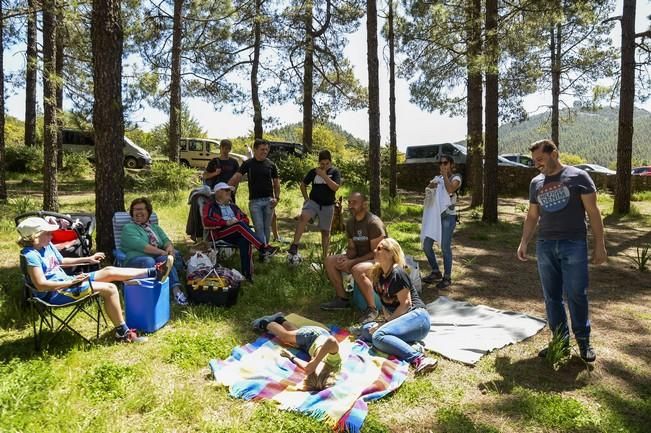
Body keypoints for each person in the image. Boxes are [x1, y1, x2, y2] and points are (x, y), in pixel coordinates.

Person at [517, 139, 606, 363]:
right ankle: (560, 342)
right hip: (545, 245)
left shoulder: (579, 177)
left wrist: (600, 245)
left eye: (540, 159)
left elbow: (593, 213)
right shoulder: (536, 182)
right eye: (534, 161)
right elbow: (532, 216)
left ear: (554, 153)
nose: (537, 164)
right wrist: (524, 241)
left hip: (573, 243)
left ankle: (584, 343)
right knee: (552, 298)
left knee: (577, 294)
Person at [17, 216, 174, 343]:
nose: (52, 236)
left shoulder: (47, 246)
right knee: (110, 288)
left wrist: (88, 259)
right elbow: (42, 285)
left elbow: (61, 262)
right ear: (35, 237)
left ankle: (154, 272)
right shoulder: (31, 255)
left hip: (68, 282)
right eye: (47, 233)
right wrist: (71, 282)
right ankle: (123, 332)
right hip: (57, 292)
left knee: (109, 271)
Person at [359, 238, 438, 375]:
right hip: (402, 320)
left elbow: (406, 305)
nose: (375, 251)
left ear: (391, 253)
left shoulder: (398, 274)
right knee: (366, 329)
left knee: (378, 336)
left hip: (417, 319)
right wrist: (384, 323)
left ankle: (419, 358)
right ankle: (409, 345)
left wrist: (384, 324)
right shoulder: (378, 274)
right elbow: (385, 305)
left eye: (380, 248)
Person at [320, 192, 386, 324]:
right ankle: (342, 299)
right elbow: (352, 249)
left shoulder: (373, 223)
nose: (350, 205)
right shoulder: (350, 223)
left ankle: (372, 309)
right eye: (349, 202)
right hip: (361, 259)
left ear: (364, 205)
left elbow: (377, 253)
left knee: (357, 269)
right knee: (329, 261)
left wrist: (352, 262)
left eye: (354, 202)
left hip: (381, 260)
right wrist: (345, 258)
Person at [203, 182, 279, 280]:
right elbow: (206, 221)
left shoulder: (233, 207)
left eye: (229, 191)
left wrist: (238, 221)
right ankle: (264, 248)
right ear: (218, 193)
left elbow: (245, 219)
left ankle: (247, 275)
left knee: (245, 240)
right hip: (220, 233)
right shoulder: (210, 206)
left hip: (236, 232)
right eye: (226, 190)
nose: (229, 192)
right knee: (239, 226)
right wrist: (226, 222)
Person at [120, 197, 188, 305]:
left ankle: (176, 291)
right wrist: (162, 252)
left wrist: (169, 249)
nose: (139, 212)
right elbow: (141, 246)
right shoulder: (128, 228)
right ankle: (152, 294)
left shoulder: (155, 227)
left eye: (142, 209)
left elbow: (166, 240)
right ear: (132, 213)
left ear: (148, 212)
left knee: (166, 260)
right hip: (135, 259)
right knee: (149, 261)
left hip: (156, 257)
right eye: (136, 209)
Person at [251, 312, 341, 391]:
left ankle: (279, 319)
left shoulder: (316, 370)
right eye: (314, 370)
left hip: (309, 345)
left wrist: (291, 356)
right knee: (285, 337)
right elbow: (331, 341)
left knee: (294, 334)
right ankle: (265, 323)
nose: (312, 369)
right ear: (325, 372)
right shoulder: (333, 362)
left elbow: (306, 367)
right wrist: (315, 361)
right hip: (314, 336)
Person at [288, 149, 341, 260]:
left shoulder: (335, 172)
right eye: (322, 164)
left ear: (330, 162)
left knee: (325, 232)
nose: (325, 166)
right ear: (319, 163)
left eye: (327, 163)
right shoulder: (313, 172)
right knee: (303, 217)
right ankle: (294, 245)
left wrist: (324, 176)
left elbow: (335, 187)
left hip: (328, 205)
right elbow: (303, 185)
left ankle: (325, 257)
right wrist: (306, 199)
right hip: (313, 202)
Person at [228, 138, 280, 248]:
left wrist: (277, 198)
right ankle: (264, 250)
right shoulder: (248, 164)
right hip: (255, 202)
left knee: (266, 227)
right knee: (259, 227)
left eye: (266, 149)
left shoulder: (271, 164)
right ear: (255, 150)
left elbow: (276, 182)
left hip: (269, 201)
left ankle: (264, 249)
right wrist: (225, 188)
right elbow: (237, 176)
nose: (265, 152)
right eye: (262, 149)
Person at [421, 154, 462, 289]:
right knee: (427, 245)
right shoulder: (437, 178)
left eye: (445, 163)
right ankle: (435, 271)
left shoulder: (457, 178)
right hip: (435, 217)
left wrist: (444, 176)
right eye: (440, 163)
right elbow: (428, 191)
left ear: (451, 164)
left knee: (445, 247)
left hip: (448, 217)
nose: (442, 165)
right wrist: (431, 186)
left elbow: (450, 189)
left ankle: (447, 277)